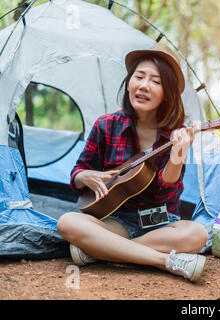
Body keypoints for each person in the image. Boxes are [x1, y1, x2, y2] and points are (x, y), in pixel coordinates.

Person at [57, 43, 208, 282]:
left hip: (161, 224)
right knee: (67, 222)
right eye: (139, 76)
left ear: (167, 93)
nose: (144, 85)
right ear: (129, 83)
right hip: (117, 222)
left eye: (156, 82)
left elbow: (164, 195)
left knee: (197, 234)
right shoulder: (106, 125)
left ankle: (102, 251)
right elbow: (78, 171)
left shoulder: (175, 135)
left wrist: (178, 155)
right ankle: (164, 260)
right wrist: (84, 176)